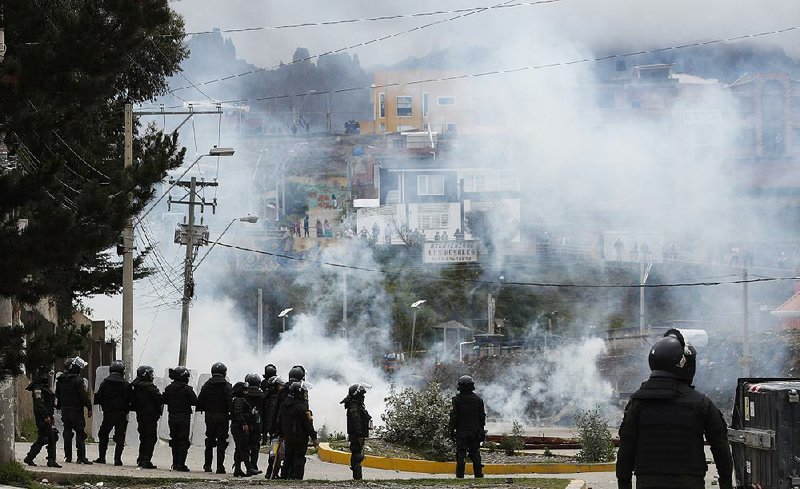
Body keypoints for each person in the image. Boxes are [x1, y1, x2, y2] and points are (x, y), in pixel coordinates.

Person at [616, 330, 733, 489]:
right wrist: (726, 484)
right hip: (689, 483)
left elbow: (626, 450)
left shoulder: (637, 403)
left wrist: (624, 484)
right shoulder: (701, 403)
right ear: (684, 364)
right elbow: (721, 448)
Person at [277, 381, 318, 479]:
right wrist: (314, 437)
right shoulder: (302, 407)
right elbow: (308, 424)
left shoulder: (284, 405)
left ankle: (284, 477)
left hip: (288, 437)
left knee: (288, 458)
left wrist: (281, 434)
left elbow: (279, 421)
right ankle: (297, 479)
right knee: (299, 459)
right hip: (300, 438)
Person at [196, 362, 232, 474]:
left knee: (209, 441)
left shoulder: (206, 385)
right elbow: (229, 401)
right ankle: (220, 467)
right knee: (221, 441)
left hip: (210, 416)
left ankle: (207, 466)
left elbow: (200, 400)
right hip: (223, 416)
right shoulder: (226, 386)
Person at [55, 357, 92, 464]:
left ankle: (68, 457)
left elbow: (58, 395)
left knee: (67, 432)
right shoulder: (78, 380)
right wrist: (89, 407)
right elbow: (83, 396)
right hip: (76, 410)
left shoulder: (60, 380)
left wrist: (60, 406)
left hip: (65, 410)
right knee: (80, 433)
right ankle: (81, 457)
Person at [93, 360, 131, 465]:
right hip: (122, 414)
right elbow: (130, 399)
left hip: (108, 414)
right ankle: (117, 460)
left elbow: (98, 398)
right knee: (120, 437)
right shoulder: (126, 385)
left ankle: (102, 458)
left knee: (103, 434)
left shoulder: (105, 383)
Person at [448, 375, 485, 478]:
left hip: (461, 432)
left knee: (461, 454)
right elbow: (482, 417)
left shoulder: (456, 400)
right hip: (475, 432)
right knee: (475, 454)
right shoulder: (478, 400)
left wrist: (451, 430)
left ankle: (460, 476)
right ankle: (478, 475)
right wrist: (481, 430)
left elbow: (454, 417)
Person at [23, 368, 61, 468]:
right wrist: (46, 416)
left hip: (47, 416)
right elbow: (39, 404)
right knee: (52, 437)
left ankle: (30, 457)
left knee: (44, 439)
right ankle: (51, 460)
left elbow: (48, 402)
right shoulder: (37, 389)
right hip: (43, 418)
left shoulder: (44, 388)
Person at [163, 366, 197, 472]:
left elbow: (164, 399)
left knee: (174, 440)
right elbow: (195, 401)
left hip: (172, 417)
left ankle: (175, 463)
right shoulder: (187, 389)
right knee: (183, 441)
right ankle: (181, 464)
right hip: (184, 417)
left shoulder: (169, 388)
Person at [130, 365, 163, 469]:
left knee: (143, 437)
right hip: (150, 416)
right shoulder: (150, 387)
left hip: (140, 415)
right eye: (151, 373)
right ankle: (146, 460)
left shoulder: (136, 387)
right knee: (150, 438)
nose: (152, 376)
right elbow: (159, 399)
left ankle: (141, 458)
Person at [341, 383, 372, 480]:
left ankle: (357, 477)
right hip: (356, 436)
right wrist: (359, 435)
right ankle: (357, 478)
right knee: (358, 456)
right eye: (362, 395)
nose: (363, 397)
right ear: (358, 395)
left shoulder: (356, 405)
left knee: (358, 455)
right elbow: (356, 422)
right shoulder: (354, 407)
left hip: (358, 435)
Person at [231, 382, 257, 477]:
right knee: (243, 448)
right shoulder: (239, 400)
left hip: (238, 426)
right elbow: (238, 412)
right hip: (239, 427)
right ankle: (249, 468)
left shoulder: (240, 399)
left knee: (239, 448)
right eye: (244, 390)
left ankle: (238, 469)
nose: (246, 392)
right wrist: (244, 423)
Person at [263, 374, 285, 479]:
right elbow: (274, 415)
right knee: (275, 452)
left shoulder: (269, 397)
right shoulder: (274, 399)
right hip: (277, 429)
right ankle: (272, 472)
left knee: (275, 451)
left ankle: (271, 472)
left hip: (274, 428)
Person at [244, 373, 265, 474]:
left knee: (244, 445)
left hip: (245, 424)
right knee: (255, 446)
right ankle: (254, 465)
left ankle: (246, 466)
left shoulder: (244, 394)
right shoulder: (262, 396)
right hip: (257, 423)